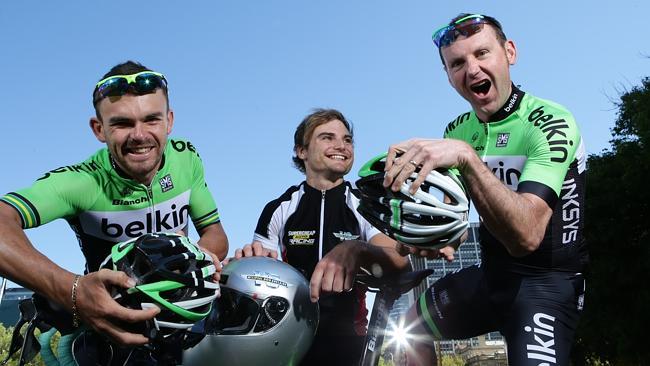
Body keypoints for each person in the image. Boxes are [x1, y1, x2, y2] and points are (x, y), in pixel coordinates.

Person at [382, 14, 587, 365]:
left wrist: (466, 157)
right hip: (491, 278)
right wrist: (427, 234)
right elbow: (455, 224)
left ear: (509, 52)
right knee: (404, 329)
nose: (472, 69)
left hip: (546, 286)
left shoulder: (551, 120)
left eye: (482, 54)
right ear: (448, 76)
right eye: (458, 63)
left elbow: (527, 236)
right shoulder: (458, 129)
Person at [0, 61, 228, 354]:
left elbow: (215, 233)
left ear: (169, 121)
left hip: (185, 324)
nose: (139, 135)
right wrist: (73, 291)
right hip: (113, 332)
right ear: (99, 129)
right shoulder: (81, 182)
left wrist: (201, 258)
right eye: (122, 123)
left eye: (151, 120)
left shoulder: (186, 159)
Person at [234, 108, 410, 365]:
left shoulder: (365, 205)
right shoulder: (280, 208)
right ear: (301, 151)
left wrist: (357, 248)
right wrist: (247, 264)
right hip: (286, 341)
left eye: (347, 139)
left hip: (349, 340)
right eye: (327, 137)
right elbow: (261, 278)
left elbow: (399, 261)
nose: (341, 145)